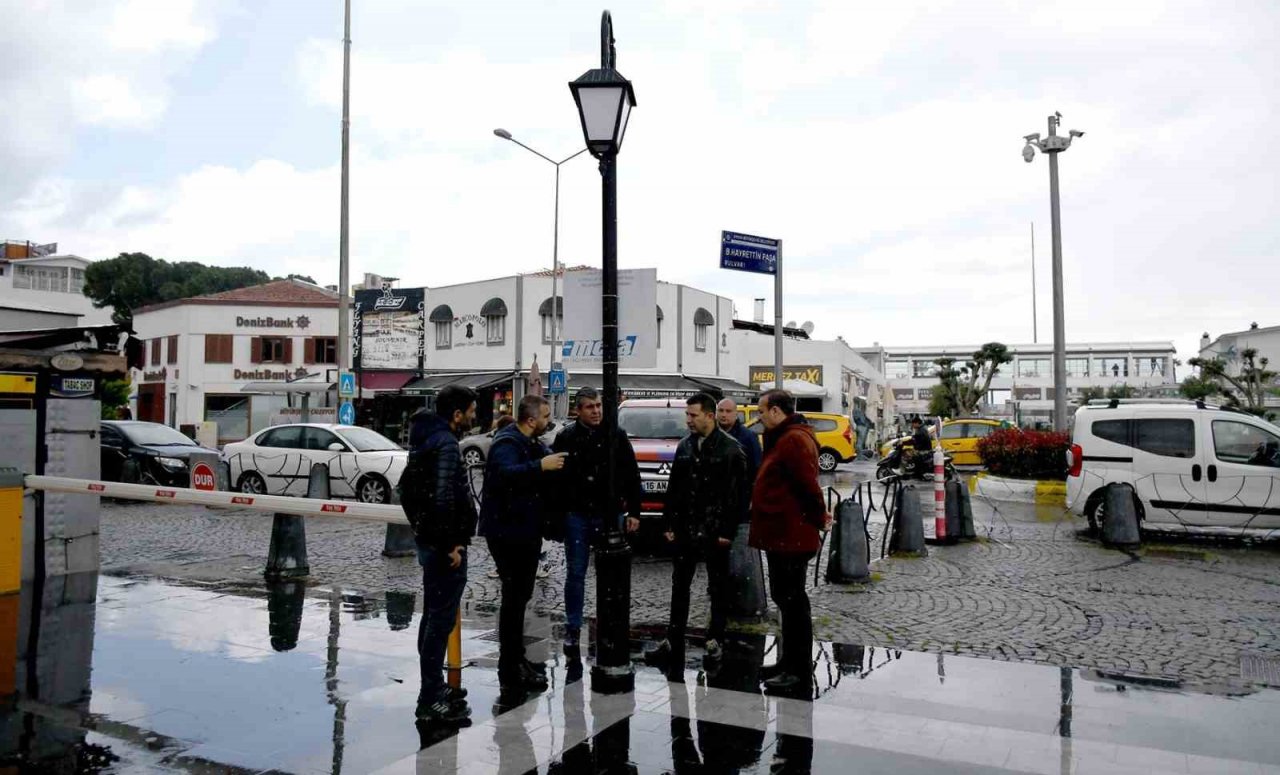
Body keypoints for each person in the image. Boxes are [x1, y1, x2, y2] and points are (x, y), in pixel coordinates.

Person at [645, 393, 746, 674]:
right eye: (687, 415)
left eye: (693, 415)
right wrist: (668, 525)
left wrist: (727, 530)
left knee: (718, 588)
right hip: (686, 529)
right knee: (680, 586)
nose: (688, 420)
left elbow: (737, 496)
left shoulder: (730, 449)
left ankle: (715, 640)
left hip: (715, 530)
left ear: (709, 416)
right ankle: (673, 640)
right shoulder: (685, 446)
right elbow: (674, 489)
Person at [477, 394, 566, 693]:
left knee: (520, 596)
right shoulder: (507, 443)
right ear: (531, 420)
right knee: (514, 598)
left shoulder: (531, 443)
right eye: (545, 416)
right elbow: (503, 476)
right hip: (507, 532)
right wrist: (540, 467)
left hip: (524, 530)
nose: (548, 421)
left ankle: (516, 658)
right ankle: (510, 663)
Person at [401, 385, 479, 724]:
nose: (475, 417)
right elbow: (443, 498)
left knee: (433, 615)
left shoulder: (424, 440)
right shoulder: (445, 443)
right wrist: (450, 544)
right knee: (439, 621)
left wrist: (421, 530)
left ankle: (433, 687)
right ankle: (430, 696)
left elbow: (407, 491)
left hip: (430, 540)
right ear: (457, 414)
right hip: (444, 546)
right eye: (471, 411)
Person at [748, 389, 829, 695]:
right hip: (783, 534)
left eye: (762, 410)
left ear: (777, 412)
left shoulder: (793, 439)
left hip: (791, 535)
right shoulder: (785, 437)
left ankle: (797, 670)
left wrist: (819, 519)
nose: (759, 416)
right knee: (787, 600)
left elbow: (808, 486)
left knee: (793, 603)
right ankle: (788, 663)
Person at [551, 387, 642, 650]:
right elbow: (556, 481)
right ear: (577, 410)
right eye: (590, 407)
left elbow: (631, 473)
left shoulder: (615, 435)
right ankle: (573, 626)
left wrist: (634, 511)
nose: (596, 411)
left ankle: (610, 622)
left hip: (608, 513)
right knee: (576, 573)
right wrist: (557, 518)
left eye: (599, 406)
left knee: (611, 572)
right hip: (577, 513)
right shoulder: (567, 437)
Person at [716, 398, 762, 493]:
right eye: (721, 410)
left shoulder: (748, 437)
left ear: (736, 414)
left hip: (740, 493)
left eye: (728, 411)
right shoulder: (710, 434)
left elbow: (756, 467)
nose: (724, 414)